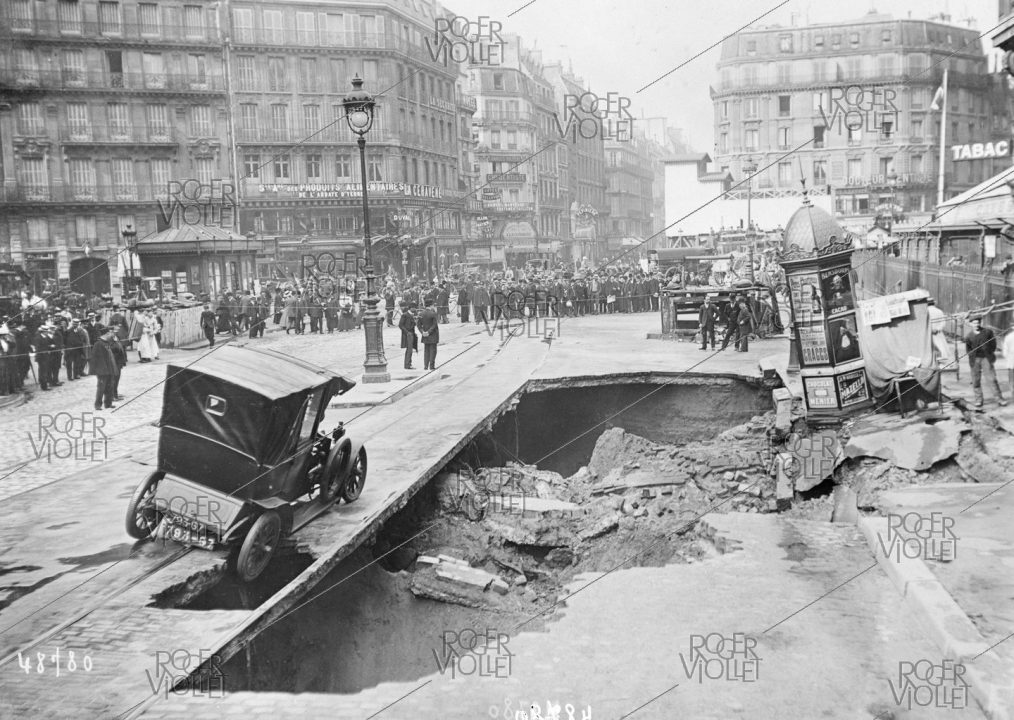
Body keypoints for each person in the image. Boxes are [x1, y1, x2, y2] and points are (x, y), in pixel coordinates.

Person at [965, 316, 1006, 409]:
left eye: (978, 322)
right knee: (976, 380)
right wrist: (972, 356)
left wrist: (989, 353)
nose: (976, 325)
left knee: (992, 379)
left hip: (986, 359)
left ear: (980, 323)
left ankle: (999, 399)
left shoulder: (988, 332)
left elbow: (993, 344)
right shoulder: (969, 336)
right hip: (974, 360)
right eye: (974, 323)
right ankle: (978, 400)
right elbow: (968, 350)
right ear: (970, 324)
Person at [91, 325, 117, 411]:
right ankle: (98, 405)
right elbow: (95, 359)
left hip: (109, 369)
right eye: (109, 333)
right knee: (101, 388)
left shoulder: (106, 343)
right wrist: (100, 370)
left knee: (110, 387)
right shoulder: (98, 344)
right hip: (102, 371)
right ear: (106, 334)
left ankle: (108, 404)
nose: (110, 334)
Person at [417, 298, 440, 370]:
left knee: (426, 351)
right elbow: (434, 325)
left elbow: (418, 325)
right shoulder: (433, 314)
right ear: (431, 305)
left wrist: (422, 332)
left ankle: (425, 366)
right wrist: (429, 332)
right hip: (433, 335)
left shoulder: (421, 314)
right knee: (433, 350)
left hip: (425, 335)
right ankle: (432, 366)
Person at [399, 302, 418, 369]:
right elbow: (400, 325)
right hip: (408, 335)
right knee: (409, 350)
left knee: (410, 349)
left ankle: (408, 364)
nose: (415, 309)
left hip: (411, 334)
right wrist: (407, 332)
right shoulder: (405, 315)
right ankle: (407, 364)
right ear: (411, 308)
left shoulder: (411, 315)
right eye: (414, 308)